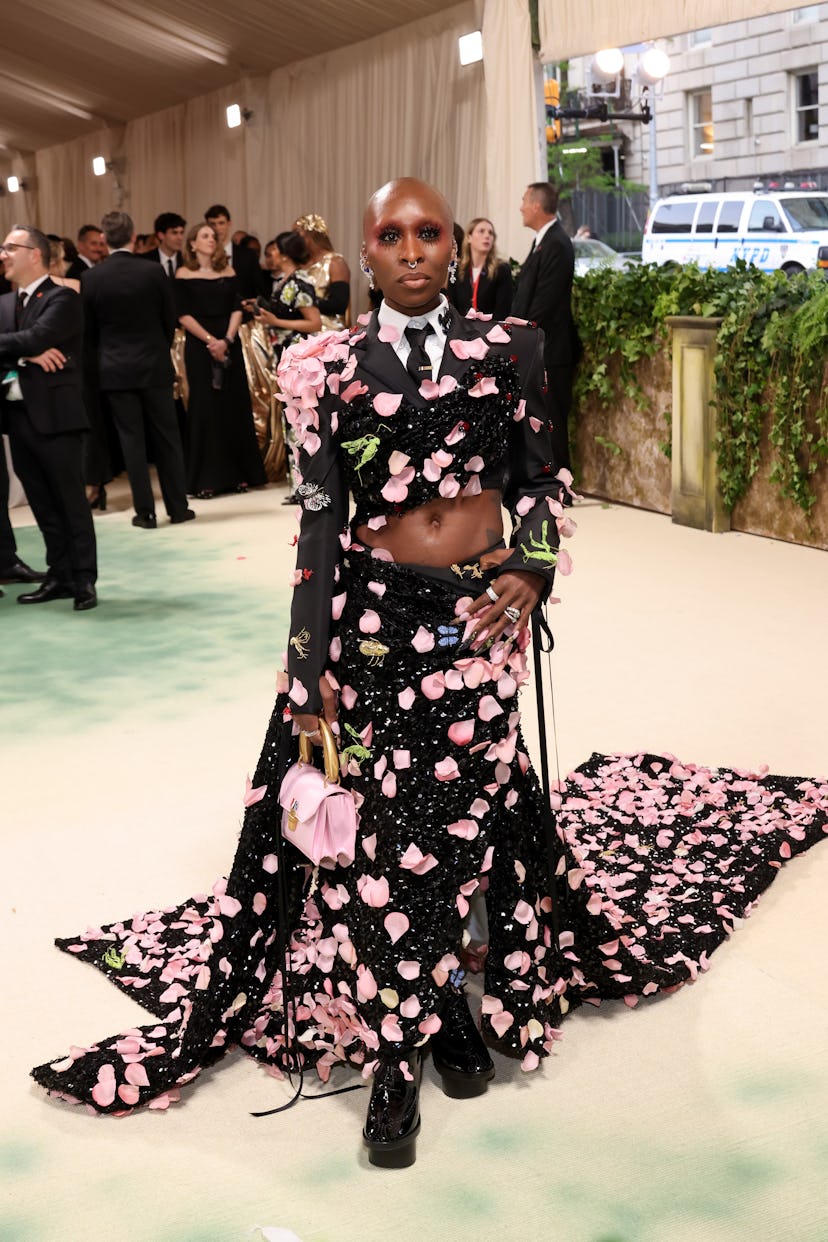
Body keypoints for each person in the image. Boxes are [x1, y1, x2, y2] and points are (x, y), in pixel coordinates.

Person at [29, 182, 828, 1175]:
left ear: (453, 245)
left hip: (480, 617)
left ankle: (449, 998)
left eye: (429, 232)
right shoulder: (327, 366)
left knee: (464, 818)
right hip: (372, 618)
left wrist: (532, 565)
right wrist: (305, 663)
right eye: (390, 234)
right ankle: (402, 1053)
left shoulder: (514, 348)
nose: (411, 248)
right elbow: (320, 520)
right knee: (386, 835)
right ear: (365, 252)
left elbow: (539, 473)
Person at [0, 225, 97, 609]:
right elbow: (28, 345)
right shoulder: (5, 305)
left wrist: (26, 349)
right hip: (18, 416)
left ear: (34, 253)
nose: (3, 254)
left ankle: (84, 580)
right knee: (41, 503)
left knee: (70, 502)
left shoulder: (63, 298)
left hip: (57, 417)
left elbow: (38, 337)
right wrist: (26, 354)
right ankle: (58, 576)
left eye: (9, 247)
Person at [82, 211, 193, 529]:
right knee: (167, 437)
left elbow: (89, 332)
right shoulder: (154, 271)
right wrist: (158, 348)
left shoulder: (92, 278)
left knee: (131, 440)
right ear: (133, 237)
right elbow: (169, 319)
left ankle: (145, 512)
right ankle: (178, 507)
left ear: (103, 239)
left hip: (114, 369)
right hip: (153, 363)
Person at [175, 222, 266, 498]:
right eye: (205, 236)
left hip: (228, 343)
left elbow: (237, 307)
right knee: (205, 409)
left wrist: (225, 340)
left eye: (213, 236)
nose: (211, 240)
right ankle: (207, 479)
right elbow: (182, 314)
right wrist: (209, 341)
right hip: (199, 345)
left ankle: (240, 475)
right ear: (192, 243)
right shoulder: (183, 273)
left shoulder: (228, 270)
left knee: (234, 406)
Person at [512, 182, 580, 477]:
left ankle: (558, 482)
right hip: (539, 348)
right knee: (541, 416)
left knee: (552, 418)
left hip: (552, 350)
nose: (521, 207)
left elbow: (545, 303)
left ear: (537, 207)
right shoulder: (543, 240)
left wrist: (521, 333)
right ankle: (543, 477)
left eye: (524, 201)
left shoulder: (556, 243)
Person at [248, 231, 321, 357]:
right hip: (283, 349)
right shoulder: (285, 280)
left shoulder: (299, 282)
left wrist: (276, 322)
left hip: (297, 352)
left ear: (285, 255)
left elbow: (315, 323)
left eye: (275, 249)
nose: (271, 252)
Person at [294, 213, 350, 330]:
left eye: (295, 234)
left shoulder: (334, 262)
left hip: (327, 334)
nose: (291, 240)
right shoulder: (300, 264)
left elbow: (339, 304)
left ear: (309, 236)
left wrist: (302, 303)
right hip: (303, 332)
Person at [449, 217, 513, 319]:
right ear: (469, 237)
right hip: (461, 331)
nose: (487, 236)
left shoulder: (501, 269)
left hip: (491, 331)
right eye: (481, 231)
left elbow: (503, 311)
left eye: (490, 233)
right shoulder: (457, 269)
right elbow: (452, 307)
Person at [204, 204, 262, 300]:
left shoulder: (248, 255)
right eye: (212, 224)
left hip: (243, 310)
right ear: (207, 226)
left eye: (221, 223)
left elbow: (259, 291)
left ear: (229, 223)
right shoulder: (202, 255)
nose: (217, 228)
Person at [142, 212, 186, 277]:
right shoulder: (145, 261)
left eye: (182, 233)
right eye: (174, 233)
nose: (180, 238)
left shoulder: (187, 261)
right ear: (161, 235)